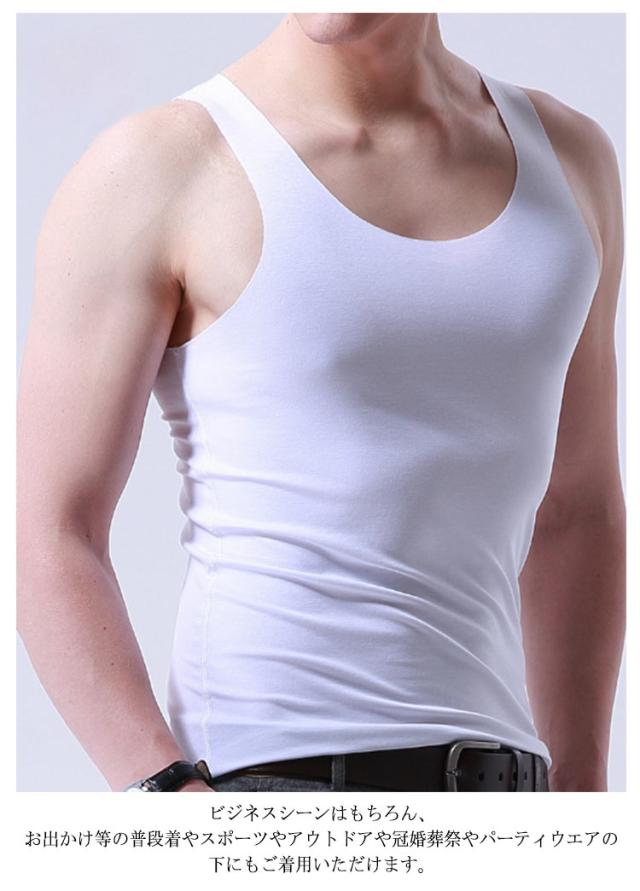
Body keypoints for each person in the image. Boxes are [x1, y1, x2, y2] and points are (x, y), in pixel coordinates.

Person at [16, 12, 625, 793]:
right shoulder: (162, 166)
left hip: (510, 792)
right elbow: (46, 527)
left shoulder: (569, 162)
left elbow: (578, 508)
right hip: (265, 791)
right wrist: (163, 794)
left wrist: (581, 793)